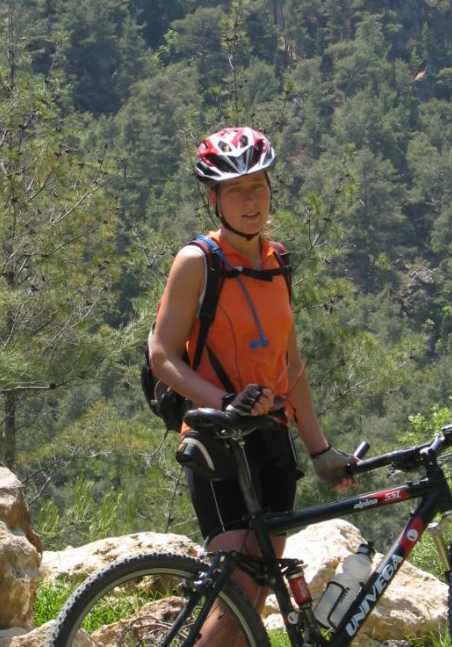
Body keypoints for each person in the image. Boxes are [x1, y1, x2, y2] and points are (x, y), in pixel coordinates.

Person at [150, 126, 356, 641]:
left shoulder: (278, 262)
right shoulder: (198, 262)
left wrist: (319, 450)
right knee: (237, 591)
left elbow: (291, 366)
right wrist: (224, 401)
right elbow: (162, 356)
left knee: (258, 592)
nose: (250, 200)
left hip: (272, 442)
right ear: (213, 198)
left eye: (258, 186)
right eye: (236, 190)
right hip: (217, 441)